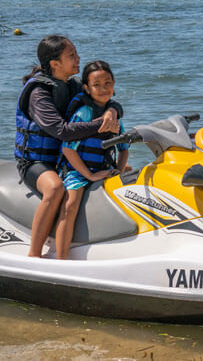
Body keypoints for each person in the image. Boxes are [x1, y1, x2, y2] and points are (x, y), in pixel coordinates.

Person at [15, 35, 122, 258]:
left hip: (65, 161)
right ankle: (34, 254)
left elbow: (104, 98)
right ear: (55, 64)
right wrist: (101, 124)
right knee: (55, 189)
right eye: (71, 55)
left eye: (76, 54)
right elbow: (61, 131)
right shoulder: (39, 93)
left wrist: (113, 111)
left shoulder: (71, 86)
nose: (78, 58)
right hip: (36, 162)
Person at [55, 60, 130, 259]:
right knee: (70, 206)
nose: (103, 89)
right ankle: (61, 260)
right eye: (96, 85)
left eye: (107, 83)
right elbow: (68, 149)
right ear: (87, 88)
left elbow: (123, 148)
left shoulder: (115, 118)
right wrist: (90, 175)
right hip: (78, 171)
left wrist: (119, 171)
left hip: (104, 168)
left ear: (114, 83)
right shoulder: (83, 114)